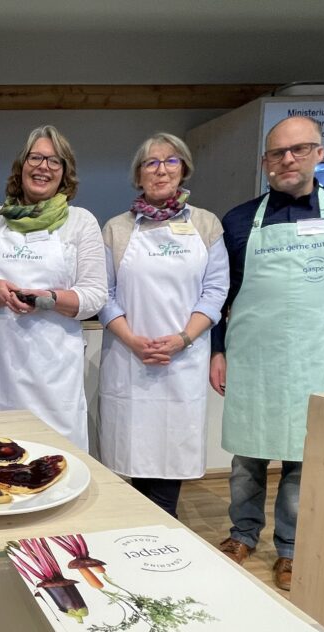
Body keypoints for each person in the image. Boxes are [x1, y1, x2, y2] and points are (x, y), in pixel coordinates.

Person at [211, 115, 324, 590]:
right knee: (247, 458)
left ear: (320, 153)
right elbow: (220, 295)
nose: (288, 160)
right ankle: (242, 534)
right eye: (277, 152)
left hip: (321, 354)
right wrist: (217, 350)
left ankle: (291, 548)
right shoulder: (238, 220)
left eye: (299, 149)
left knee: (305, 455)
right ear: (265, 162)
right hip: (254, 357)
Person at [0, 126, 107, 450]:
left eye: (53, 160)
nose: (43, 166)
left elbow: (94, 295)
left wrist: (48, 300)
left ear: (65, 172)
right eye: (35, 157)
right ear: (21, 166)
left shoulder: (81, 222)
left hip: (51, 374)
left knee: (54, 461)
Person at [98, 133, 229, 518]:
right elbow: (104, 294)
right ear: (138, 175)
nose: (160, 170)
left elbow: (216, 289)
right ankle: (140, 529)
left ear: (184, 169)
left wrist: (183, 338)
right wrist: (133, 340)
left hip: (182, 361)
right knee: (133, 453)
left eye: (170, 161)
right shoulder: (117, 228)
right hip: (129, 359)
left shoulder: (206, 224)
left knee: (171, 456)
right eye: (150, 163)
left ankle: (163, 528)